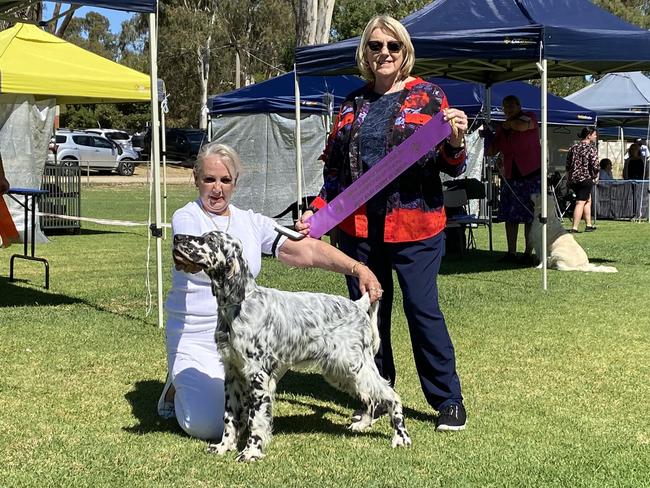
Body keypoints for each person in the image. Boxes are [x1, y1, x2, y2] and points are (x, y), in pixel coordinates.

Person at [296, 15, 469, 431]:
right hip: (357, 231)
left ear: (405, 51)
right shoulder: (351, 104)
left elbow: (452, 165)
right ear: (365, 53)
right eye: (376, 46)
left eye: (393, 46)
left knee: (422, 310)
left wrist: (456, 141)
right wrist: (317, 212)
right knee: (366, 315)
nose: (385, 53)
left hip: (416, 227)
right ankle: (375, 393)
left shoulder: (429, 97)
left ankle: (448, 399)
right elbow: (337, 174)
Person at [158, 142, 383, 441]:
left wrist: (358, 268)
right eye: (209, 179)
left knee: (285, 336)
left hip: (251, 333)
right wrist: (190, 260)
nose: (217, 189)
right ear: (197, 180)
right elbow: (189, 255)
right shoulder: (187, 217)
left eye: (225, 180)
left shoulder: (251, 221)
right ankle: (175, 387)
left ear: (235, 183)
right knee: (208, 426)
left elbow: (308, 252)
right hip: (198, 336)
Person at [488, 95, 541, 264]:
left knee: (530, 216)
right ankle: (511, 252)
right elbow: (492, 149)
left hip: (531, 173)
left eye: (512, 106)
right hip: (510, 175)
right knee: (510, 216)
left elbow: (521, 127)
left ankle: (528, 253)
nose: (509, 109)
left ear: (519, 106)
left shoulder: (530, 116)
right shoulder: (501, 128)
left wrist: (506, 125)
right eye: (505, 106)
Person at [566, 127, 599, 233]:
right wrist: (595, 176)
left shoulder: (573, 147)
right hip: (586, 178)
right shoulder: (591, 148)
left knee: (587, 200)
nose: (596, 136)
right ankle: (574, 227)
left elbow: (568, 165)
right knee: (580, 202)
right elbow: (595, 165)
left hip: (574, 179)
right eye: (594, 134)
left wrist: (568, 179)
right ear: (589, 135)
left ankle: (589, 225)